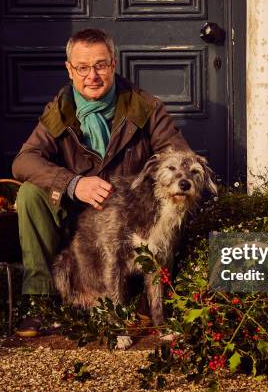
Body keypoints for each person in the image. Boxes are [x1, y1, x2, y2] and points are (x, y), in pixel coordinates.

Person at [11, 28, 191, 337]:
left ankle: (150, 302)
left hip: (133, 220)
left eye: (101, 65)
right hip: (80, 219)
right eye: (82, 67)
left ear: (114, 64)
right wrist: (73, 182)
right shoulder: (61, 110)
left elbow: (179, 154)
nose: (92, 75)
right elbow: (23, 161)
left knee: (176, 196)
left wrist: (144, 188)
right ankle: (39, 301)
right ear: (70, 70)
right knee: (29, 194)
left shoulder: (144, 107)